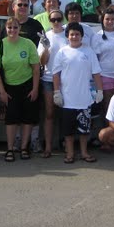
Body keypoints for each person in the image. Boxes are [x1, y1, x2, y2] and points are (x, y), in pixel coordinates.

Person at [0, 16, 40, 162]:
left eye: (15, 27)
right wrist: (2, 92)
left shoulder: (28, 44)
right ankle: (10, 149)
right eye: (9, 27)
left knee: (27, 118)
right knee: (11, 119)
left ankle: (24, 148)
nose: (12, 30)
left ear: (20, 29)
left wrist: (35, 88)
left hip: (27, 84)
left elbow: (36, 68)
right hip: (9, 86)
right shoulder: (0, 44)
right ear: (6, 29)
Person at [53, 22, 103, 164]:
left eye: (77, 34)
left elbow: (96, 73)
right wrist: (56, 92)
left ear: (82, 36)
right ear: (67, 36)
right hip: (67, 99)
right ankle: (70, 153)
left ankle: (84, 152)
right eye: (72, 34)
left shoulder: (89, 51)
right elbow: (56, 74)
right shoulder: (62, 52)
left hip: (85, 99)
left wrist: (100, 90)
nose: (74, 37)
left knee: (84, 130)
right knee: (68, 131)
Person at [38, 9, 68, 158]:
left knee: (66, 113)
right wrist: (46, 48)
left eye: (58, 19)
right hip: (49, 79)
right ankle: (48, 147)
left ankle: (67, 145)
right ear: (49, 21)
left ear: (63, 19)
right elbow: (42, 62)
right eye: (53, 19)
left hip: (67, 80)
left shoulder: (69, 35)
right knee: (49, 113)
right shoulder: (46, 36)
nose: (56, 22)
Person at [92, 8, 114, 129]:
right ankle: (108, 133)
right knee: (108, 106)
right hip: (105, 75)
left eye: (112, 19)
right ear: (102, 20)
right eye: (107, 19)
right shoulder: (97, 37)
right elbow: (95, 58)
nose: (110, 21)